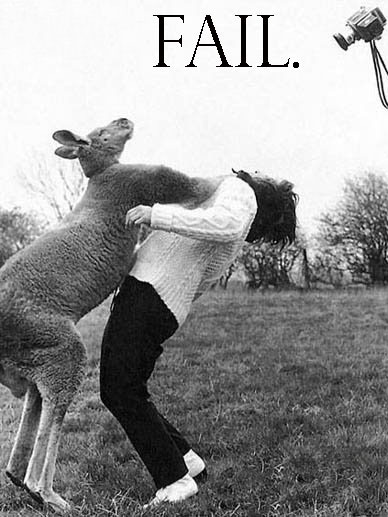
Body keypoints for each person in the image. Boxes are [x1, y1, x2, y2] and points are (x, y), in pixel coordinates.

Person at [99, 169, 297, 509]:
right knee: (127, 388)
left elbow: (226, 224)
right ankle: (186, 461)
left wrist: (155, 215)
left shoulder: (239, 192)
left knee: (119, 389)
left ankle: (175, 481)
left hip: (150, 295)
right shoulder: (230, 197)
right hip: (157, 300)